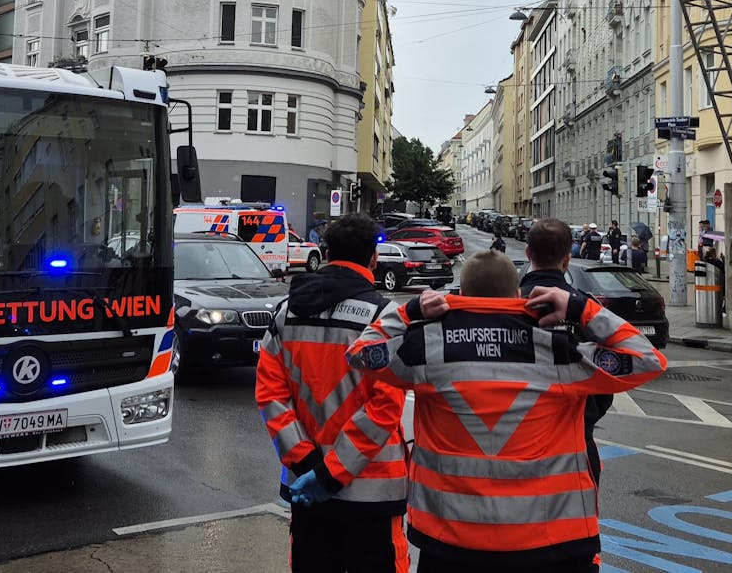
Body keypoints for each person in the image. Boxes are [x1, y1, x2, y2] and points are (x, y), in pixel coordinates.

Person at [349, 251, 666, 572]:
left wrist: (409, 310)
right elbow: (647, 359)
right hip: (551, 543)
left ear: (460, 294)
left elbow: (360, 354)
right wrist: (579, 307)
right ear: (517, 295)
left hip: (450, 541)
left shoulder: (426, 346)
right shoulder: (556, 346)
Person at [256, 212, 409, 573]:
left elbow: (270, 397)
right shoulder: (386, 318)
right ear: (373, 258)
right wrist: (333, 472)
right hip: (371, 491)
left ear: (326, 253)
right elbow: (384, 408)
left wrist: (310, 467)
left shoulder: (285, 314)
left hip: (306, 489)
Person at [518, 219, 612, 486]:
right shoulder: (584, 308)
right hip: (577, 447)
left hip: (517, 445)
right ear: (567, 260)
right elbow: (607, 378)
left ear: (528, 254)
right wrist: (584, 419)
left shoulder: (507, 304)